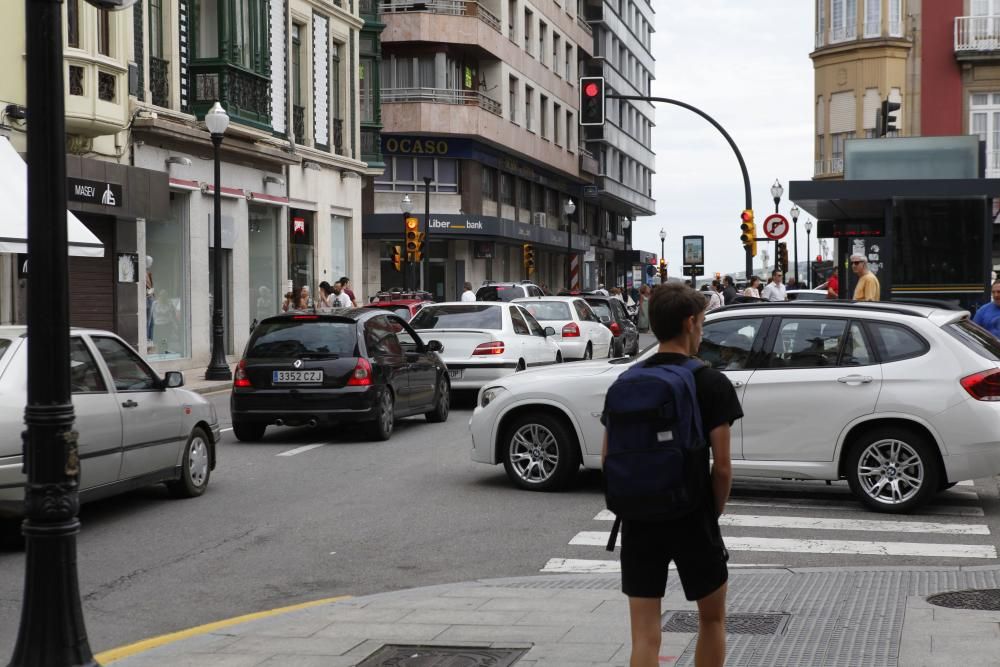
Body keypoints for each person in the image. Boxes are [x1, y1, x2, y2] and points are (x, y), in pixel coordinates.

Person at [602, 282, 740, 667]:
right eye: (701, 323)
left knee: (644, 635)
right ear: (689, 323)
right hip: (692, 513)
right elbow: (723, 467)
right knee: (711, 619)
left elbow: (609, 454)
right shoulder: (710, 382)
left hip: (639, 516)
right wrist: (711, 513)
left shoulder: (628, 381)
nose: (702, 331)